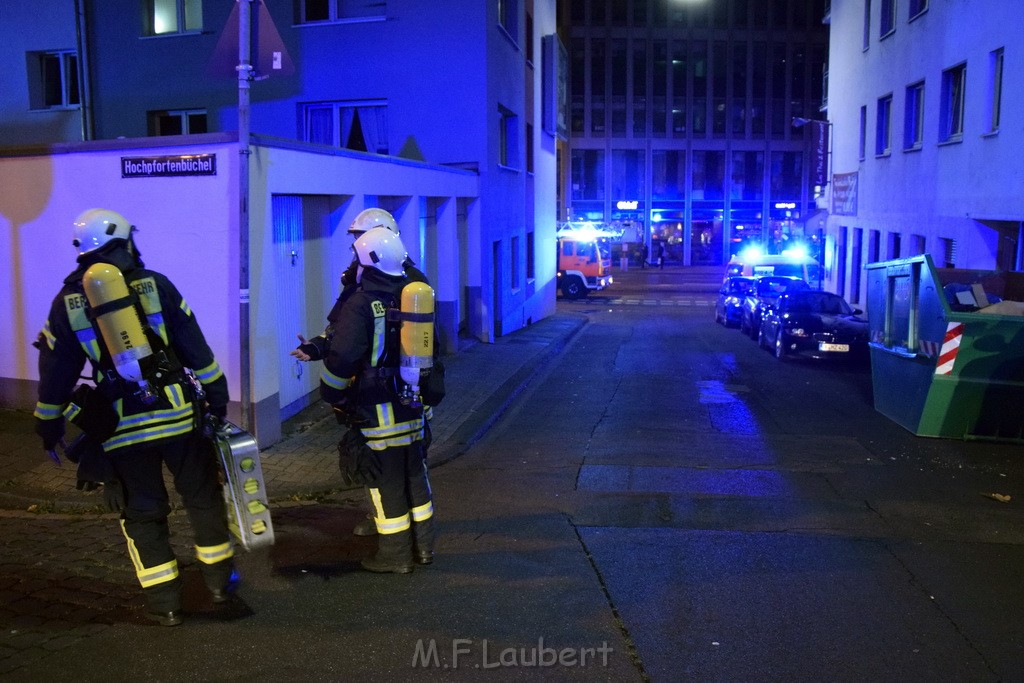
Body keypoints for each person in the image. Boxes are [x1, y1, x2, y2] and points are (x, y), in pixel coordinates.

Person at [33, 208, 235, 627]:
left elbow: (55, 376)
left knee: (142, 510)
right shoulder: (155, 285)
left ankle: (166, 605)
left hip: (121, 428)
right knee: (201, 497)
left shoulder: (67, 303)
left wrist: (48, 425)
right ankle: (217, 583)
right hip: (178, 415)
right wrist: (217, 399)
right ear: (125, 243)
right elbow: (196, 349)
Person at [290, 208, 431, 538]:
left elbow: (350, 341)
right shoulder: (400, 284)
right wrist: (315, 346)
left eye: (360, 240)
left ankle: (393, 539)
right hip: (404, 391)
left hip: (378, 397)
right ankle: (415, 540)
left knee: (387, 470)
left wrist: (333, 390)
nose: (356, 246)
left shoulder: (386, 286)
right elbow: (340, 329)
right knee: (406, 469)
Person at [318, 226, 435, 573]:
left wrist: (332, 393)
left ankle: (395, 556)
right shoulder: (413, 295)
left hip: (378, 410)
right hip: (413, 406)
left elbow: (342, 359)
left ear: (367, 262)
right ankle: (424, 549)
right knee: (415, 476)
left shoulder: (360, 302)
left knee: (386, 484)